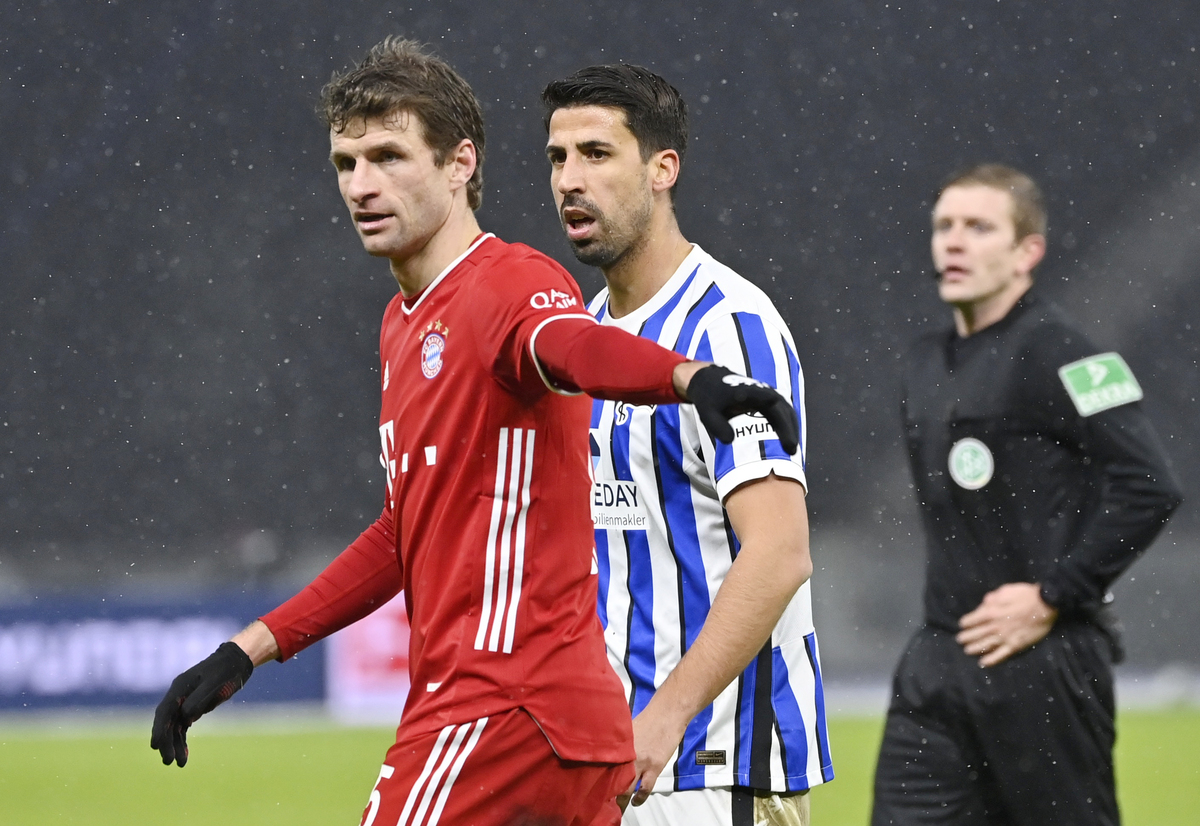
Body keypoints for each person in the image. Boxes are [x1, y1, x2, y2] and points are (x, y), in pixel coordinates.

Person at [149, 39, 803, 826]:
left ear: (461, 163)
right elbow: (405, 532)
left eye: (388, 157)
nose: (361, 185)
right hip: (578, 732)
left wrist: (688, 378)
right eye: (345, 164)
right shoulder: (404, 325)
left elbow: (572, 349)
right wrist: (251, 647)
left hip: (511, 710)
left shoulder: (512, 283)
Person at [541, 65, 833, 826]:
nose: (570, 180)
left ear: (662, 168)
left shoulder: (728, 326)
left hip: (714, 764)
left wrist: (666, 716)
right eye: (558, 157)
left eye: (597, 154)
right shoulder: (588, 337)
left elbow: (779, 553)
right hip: (614, 762)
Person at [871, 164, 1183, 826]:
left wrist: (1054, 595)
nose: (954, 241)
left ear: (1026, 252)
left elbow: (1150, 484)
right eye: (944, 226)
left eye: (979, 227)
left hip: (1041, 662)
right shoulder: (924, 362)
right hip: (939, 656)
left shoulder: (1065, 353)